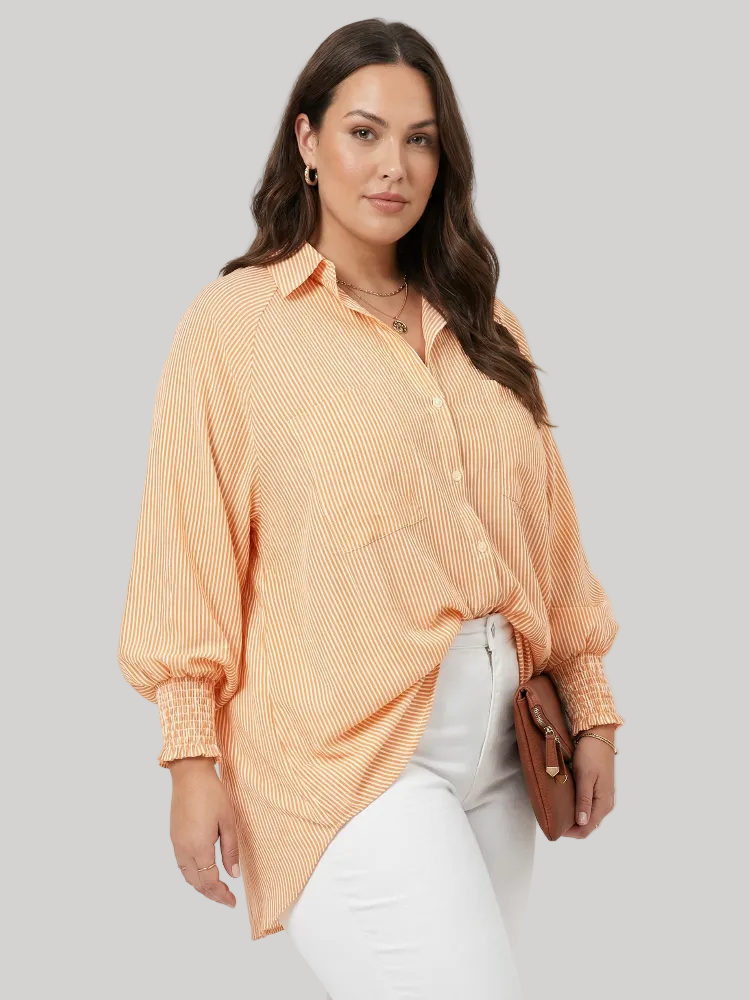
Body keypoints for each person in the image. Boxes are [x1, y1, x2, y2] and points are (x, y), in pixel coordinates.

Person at [117, 17, 624, 1000]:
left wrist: (591, 704)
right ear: (307, 141)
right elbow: (187, 547)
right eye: (364, 132)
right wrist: (188, 756)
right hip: (341, 752)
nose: (395, 165)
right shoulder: (235, 328)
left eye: (420, 138)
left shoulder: (486, 324)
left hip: (509, 748)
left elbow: (549, 536)